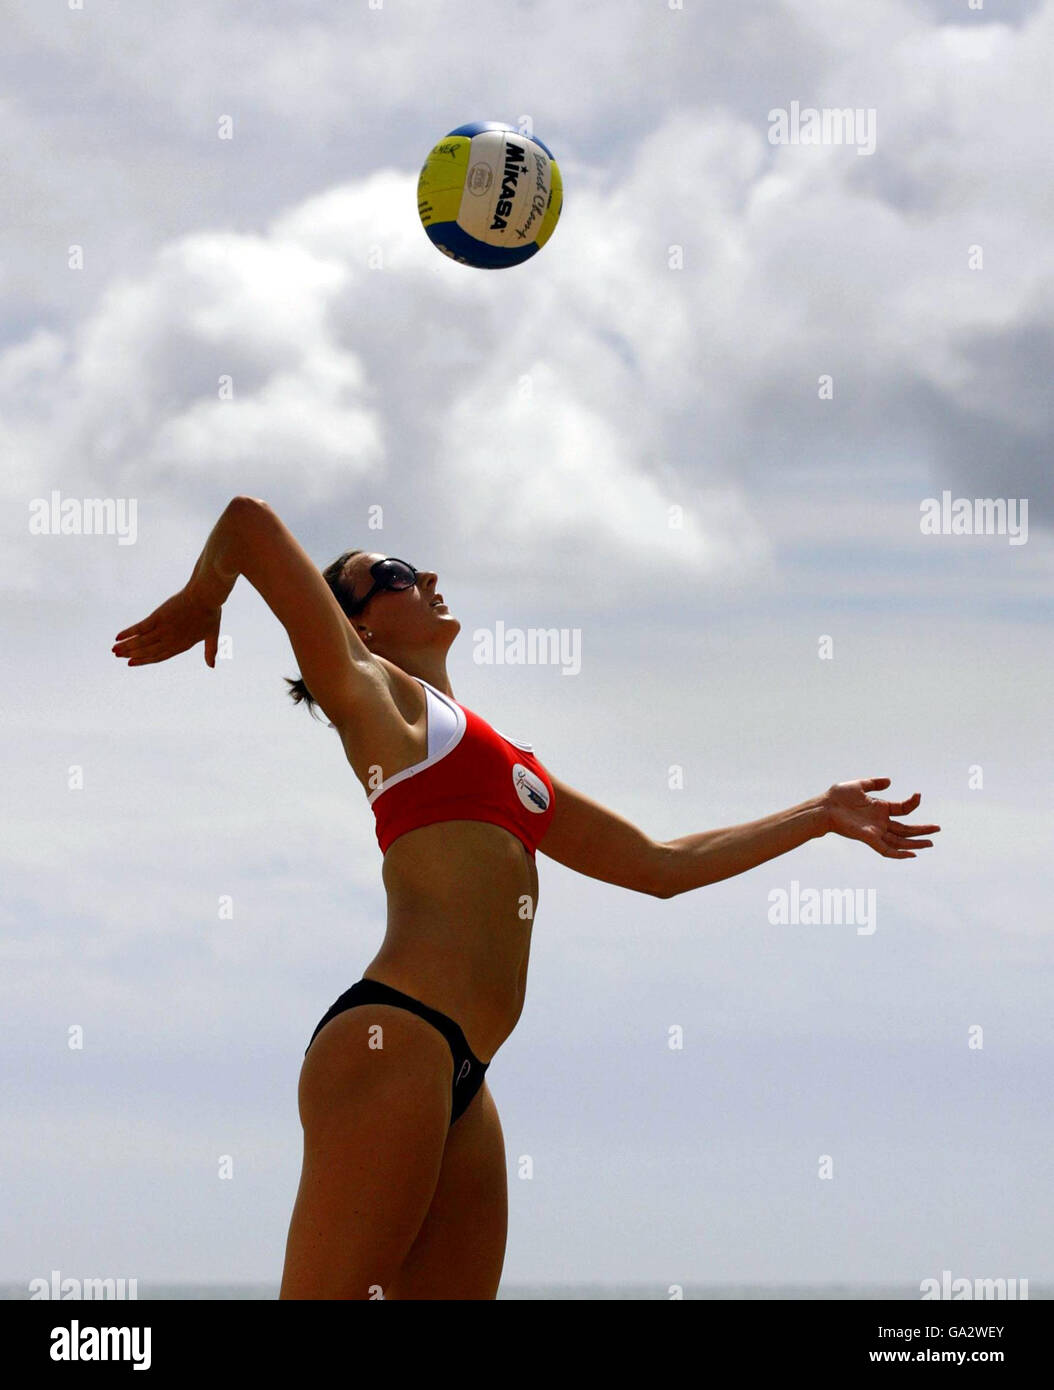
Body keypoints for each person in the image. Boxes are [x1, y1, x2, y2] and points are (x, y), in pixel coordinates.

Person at [111, 495, 940, 1300]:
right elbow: (248, 523)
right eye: (395, 572)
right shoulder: (377, 701)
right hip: (390, 1039)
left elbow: (660, 865)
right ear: (358, 626)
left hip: (467, 1078)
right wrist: (202, 595)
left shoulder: (503, 759)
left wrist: (820, 815)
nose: (427, 574)